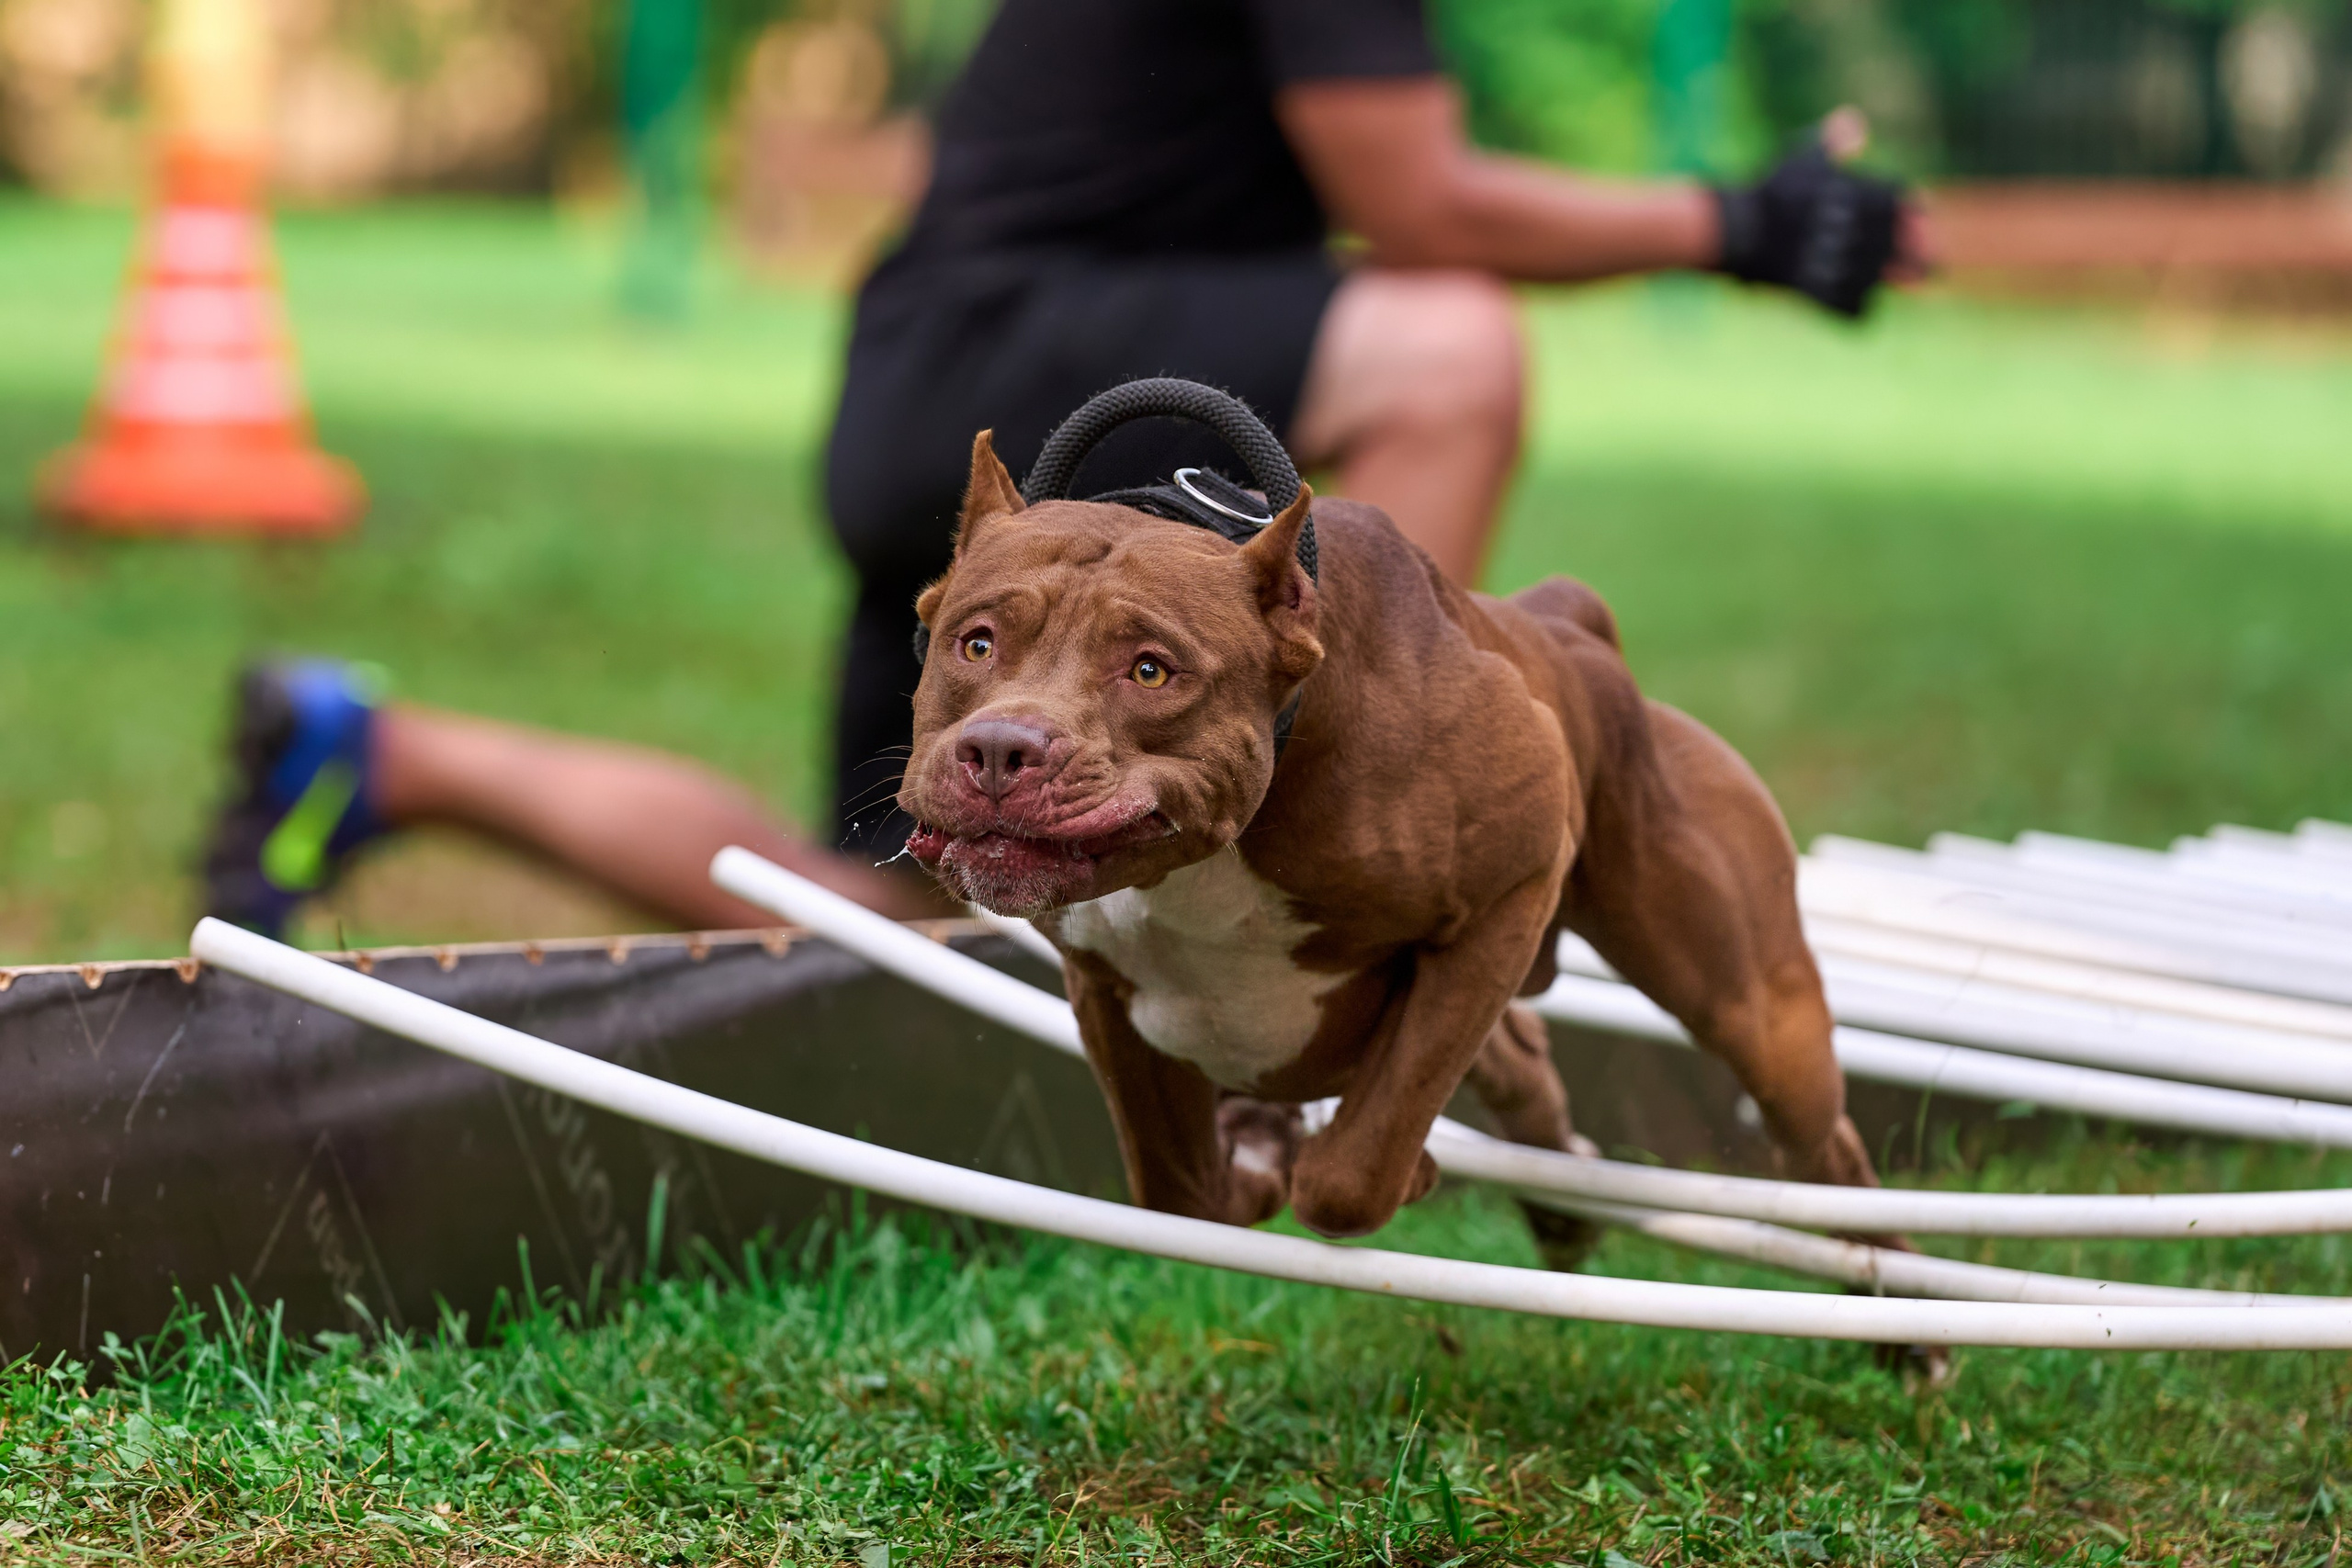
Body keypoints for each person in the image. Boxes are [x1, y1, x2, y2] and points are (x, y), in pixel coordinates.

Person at [204, 4, 1924, 940]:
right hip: (1023, 374)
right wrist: (1739, 223)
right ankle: (1383, 822)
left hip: (945, 378)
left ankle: (378, 751)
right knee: (1455, 348)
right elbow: (1424, 209)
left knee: (895, 913)